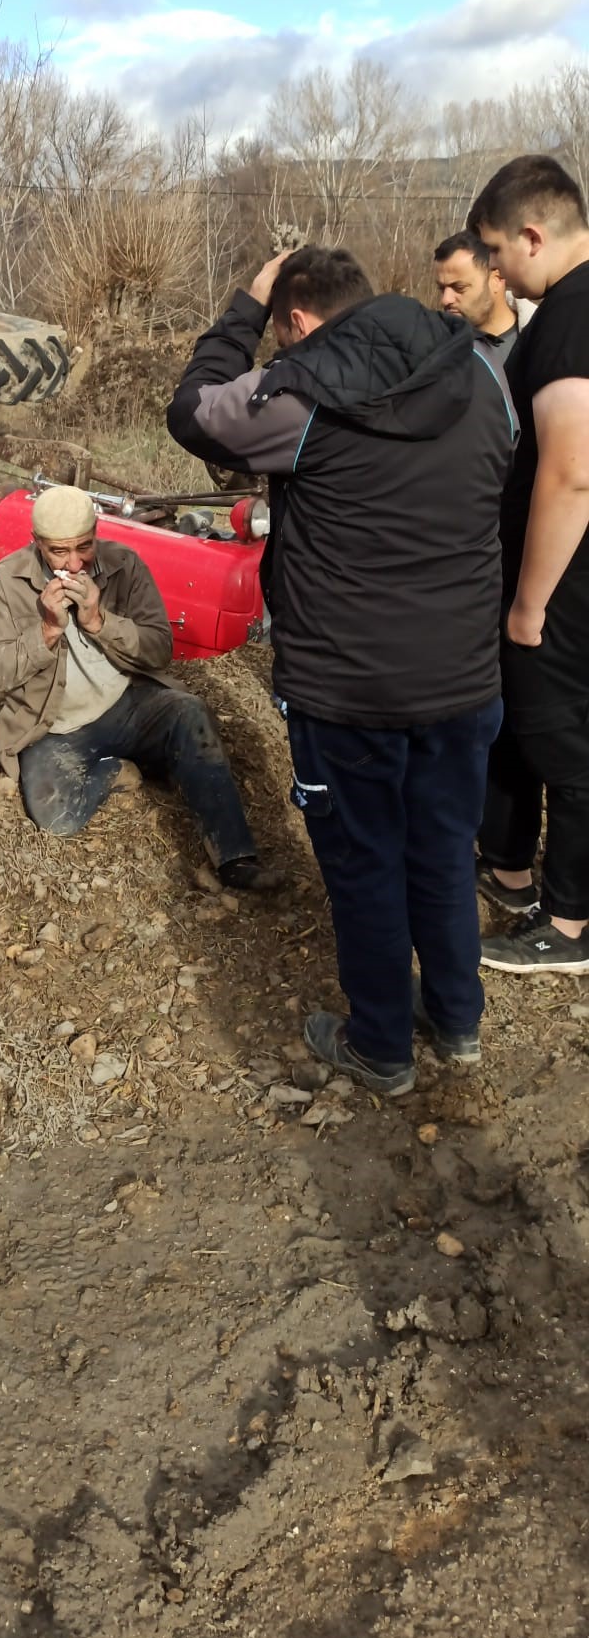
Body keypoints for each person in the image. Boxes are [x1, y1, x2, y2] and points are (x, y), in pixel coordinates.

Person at [167, 245, 516, 1094]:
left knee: (365, 861)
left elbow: (192, 413)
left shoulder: (300, 392)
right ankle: (457, 1022)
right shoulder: (479, 368)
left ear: (294, 318)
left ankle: (382, 1047)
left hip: (349, 687)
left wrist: (243, 307)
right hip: (464, 676)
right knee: (443, 848)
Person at [0, 482, 277, 892]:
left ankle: (235, 857)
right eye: (59, 551)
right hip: (55, 725)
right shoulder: (9, 578)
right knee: (56, 817)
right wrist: (47, 630)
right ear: (37, 543)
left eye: (84, 547)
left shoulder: (124, 565)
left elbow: (159, 650)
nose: (74, 563)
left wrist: (99, 621)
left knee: (189, 712)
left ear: (96, 533)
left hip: (125, 702)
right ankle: (120, 769)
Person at [467, 154, 589, 973]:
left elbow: (572, 472)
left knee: (563, 744)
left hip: (565, 584)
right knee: (520, 725)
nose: (498, 274)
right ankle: (511, 872)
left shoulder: (572, 317)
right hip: (553, 576)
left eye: (498, 252)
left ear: (533, 236)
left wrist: (529, 603)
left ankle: (571, 924)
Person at [433, 230, 519, 366]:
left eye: (459, 287)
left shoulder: (541, 342)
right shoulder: (435, 350)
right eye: (442, 289)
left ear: (496, 280)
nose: (445, 299)